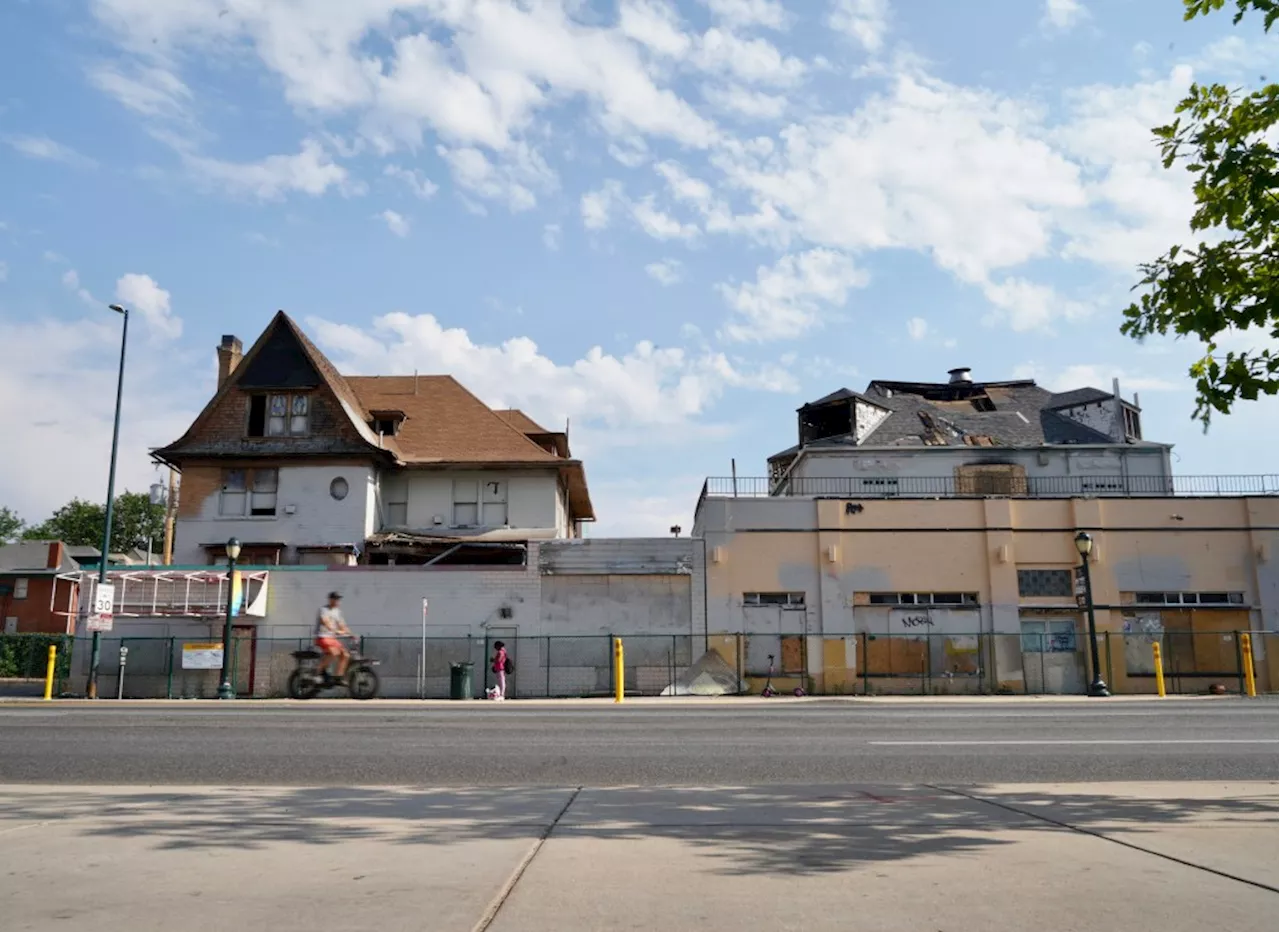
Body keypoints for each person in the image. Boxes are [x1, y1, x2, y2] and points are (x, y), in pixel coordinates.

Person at [315, 591, 353, 682]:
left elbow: (342, 625)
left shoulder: (338, 612)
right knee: (334, 652)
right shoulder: (323, 610)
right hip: (322, 637)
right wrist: (334, 630)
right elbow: (325, 621)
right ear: (330, 600)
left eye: (338, 599)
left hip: (332, 638)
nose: (337, 601)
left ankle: (338, 677)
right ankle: (316, 673)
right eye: (335, 599)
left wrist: (350, 633)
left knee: (345, 655)